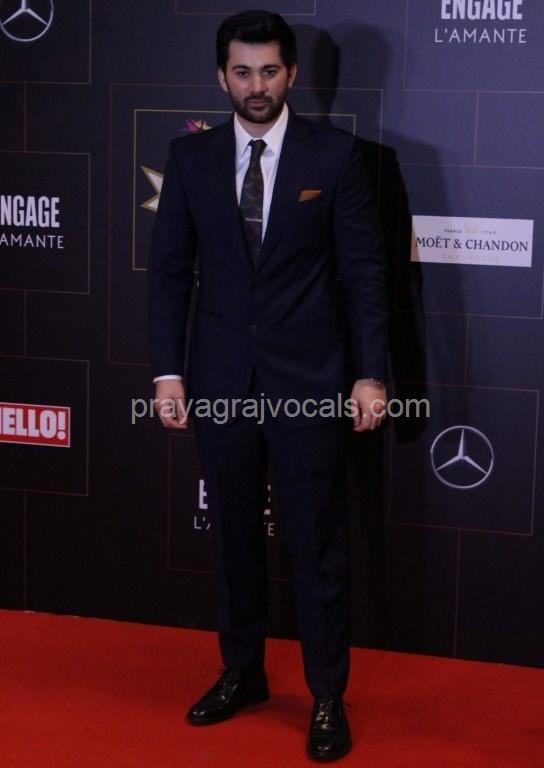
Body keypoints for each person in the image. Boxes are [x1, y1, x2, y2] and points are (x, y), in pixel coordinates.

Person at [148, 9, 388, 762]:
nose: (257, 86)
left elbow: (363, 274)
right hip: (219, 377)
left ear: (293, 74)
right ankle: (243, 672)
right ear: (222, 76)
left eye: (270, 71)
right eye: (242, 72)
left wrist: (371, 373)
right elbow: (169, 274)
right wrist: (168, 372)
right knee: (233, 538)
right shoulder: (189, 159)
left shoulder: (337, 157)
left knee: (317, 544)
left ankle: (326, 695)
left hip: (310, 381)